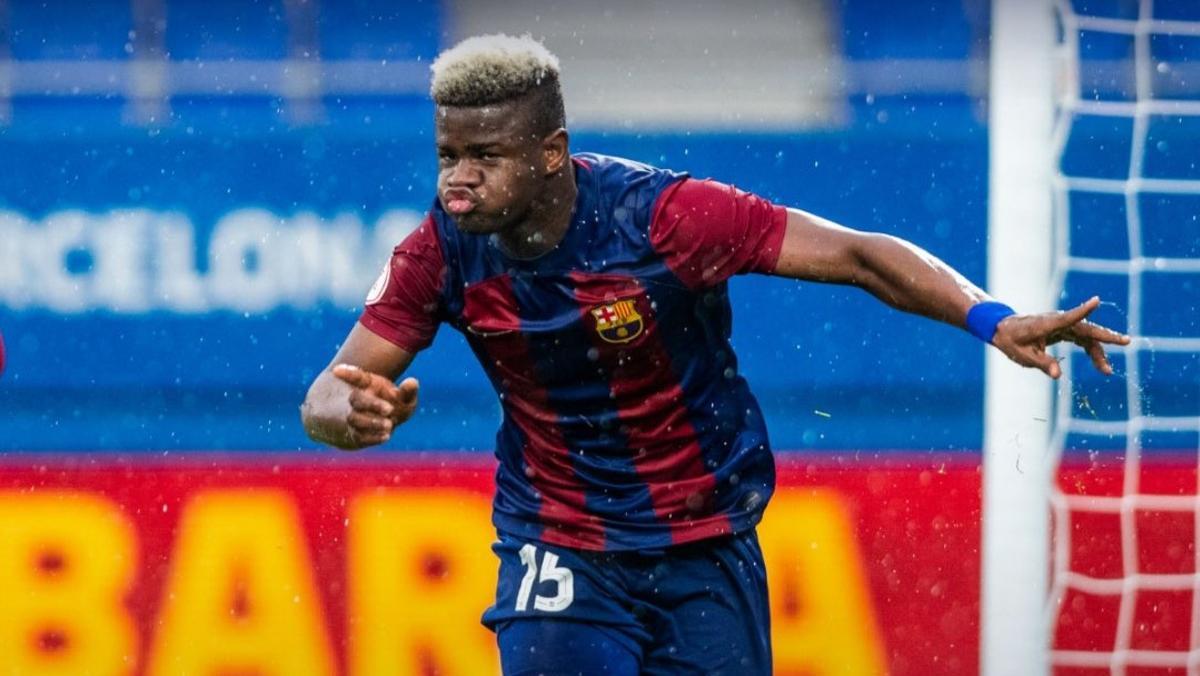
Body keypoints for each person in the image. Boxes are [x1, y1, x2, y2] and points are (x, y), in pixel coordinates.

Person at [301, 33, 1129, 675]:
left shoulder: (667, 218)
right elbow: (328, 396)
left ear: (551, 153)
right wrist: (352, 414)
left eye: (485, 159)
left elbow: (859, 255)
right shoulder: (439, 251)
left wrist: (992, 319)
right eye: (449, 156)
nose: (458, 182)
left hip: (705, 537)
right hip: (560, 542)